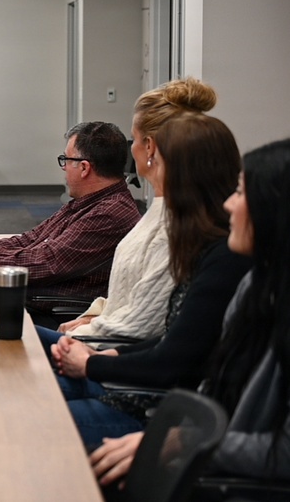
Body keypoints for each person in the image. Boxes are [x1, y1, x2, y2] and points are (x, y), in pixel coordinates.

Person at [89, 138, 290, 491]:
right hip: (200, 446)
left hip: (223, 479)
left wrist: (175, 443)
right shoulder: (257, 285)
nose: (229, 204)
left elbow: (282, 451)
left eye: (241, 194)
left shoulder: (237, 270)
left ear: (276, 209)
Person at [45, 113, 251, 449]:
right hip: (146, 385)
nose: (149, 167)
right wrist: (107, 355)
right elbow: (174, 339)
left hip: (156, 407)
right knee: (29, 384)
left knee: (34, 407)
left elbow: (175, 359)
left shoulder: (223, 255)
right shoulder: (198, 240)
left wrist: (95, 360)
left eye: (157, 160)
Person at [0, 121, 142, 324]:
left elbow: (44, 263)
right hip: (35, 300)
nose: (63, 167)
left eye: (66, 160)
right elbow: (31, 239)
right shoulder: (89, 202)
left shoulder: (109, 214)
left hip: (53, 314)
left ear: (84, 168)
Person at [59, 78, 218, 339]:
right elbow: (131, 292)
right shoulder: (159, 209)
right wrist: (97, 313)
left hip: (106, 352)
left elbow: (143, 324)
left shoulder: (174, 225)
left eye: (133, 139)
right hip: (101, 335)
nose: (129, 149)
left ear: (149, 147)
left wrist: (88, 330)